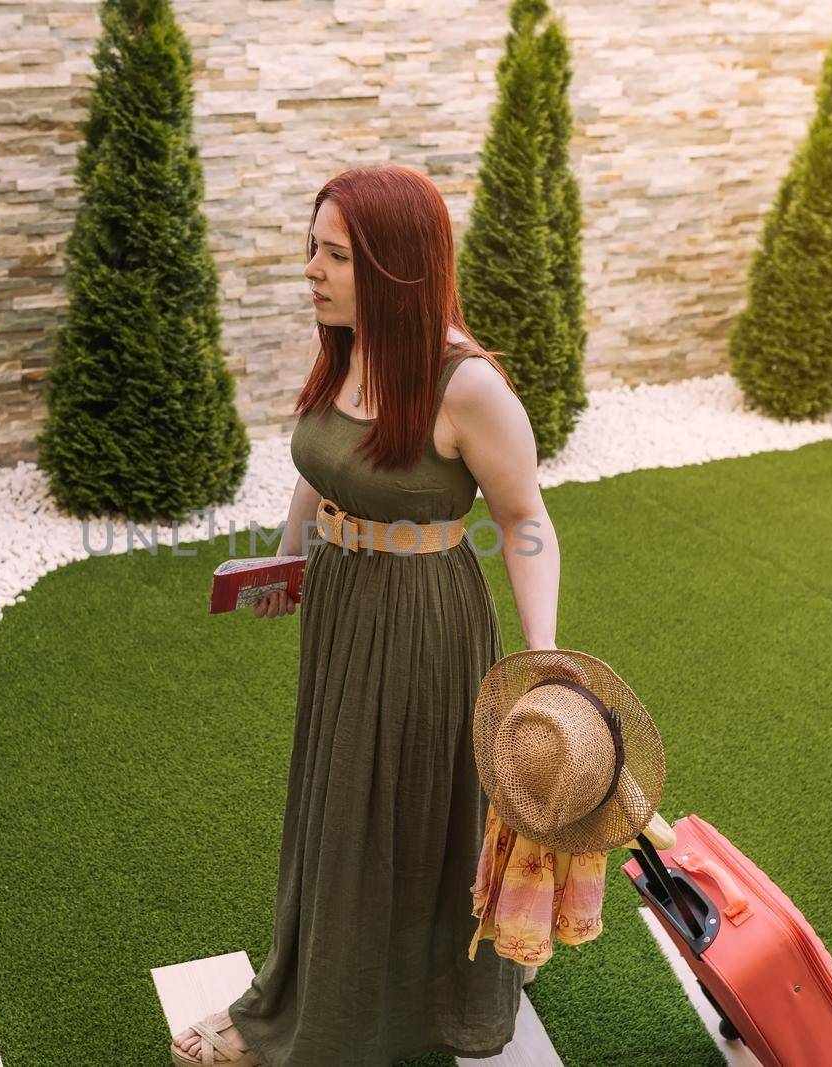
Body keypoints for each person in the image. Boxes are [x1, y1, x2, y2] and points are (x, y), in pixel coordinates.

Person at [172, 164, 563, 1066]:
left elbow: (525, 519)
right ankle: (341, 976)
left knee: (401, 806)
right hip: (343, 603)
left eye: (336, 254)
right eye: (311, 246)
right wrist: (289, 554)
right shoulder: (348, 347)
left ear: (395, 267)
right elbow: (320, 465)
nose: (312, 268)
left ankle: (362, 1005)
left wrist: (543, 655)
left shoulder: (467, 387)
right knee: (340, 795)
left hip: (425, 621)